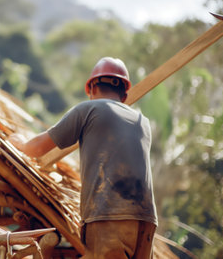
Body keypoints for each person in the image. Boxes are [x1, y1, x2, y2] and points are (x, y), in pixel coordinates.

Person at [9, 57, 157, 259]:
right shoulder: (143, 122)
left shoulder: (88, 110)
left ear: (92, 88)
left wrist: (19, 143)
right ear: (124, 93)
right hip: (146, 220)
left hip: (109, 215)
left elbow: (38, 148)